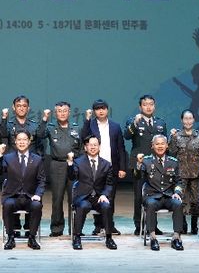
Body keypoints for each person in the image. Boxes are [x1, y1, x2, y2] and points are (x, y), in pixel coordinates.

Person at [80, 99, 126, 235]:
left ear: (107, 110)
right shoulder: (91, 125)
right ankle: (98, 226)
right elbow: (84, 138)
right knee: (96, 196)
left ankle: (109, 225)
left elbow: (121, 148)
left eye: (103, 108)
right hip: (96, 167)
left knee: (110, 197)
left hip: (111, 166)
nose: (101, 111)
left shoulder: (115, 126)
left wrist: (122, 167)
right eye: (98, 109)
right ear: (94, 111)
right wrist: (87, 120)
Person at [36, 101, 82, 237]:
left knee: (74, 198)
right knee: (57, 198)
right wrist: (44, 119)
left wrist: (79, 163)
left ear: (69, 112)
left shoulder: (76, 128)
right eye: (59, 111)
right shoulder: (50, 127)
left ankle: (75, 229)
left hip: (73, 164)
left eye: (65, 111)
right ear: (55, 113)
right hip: (57, 165)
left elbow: (81, 147)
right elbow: (39, 134)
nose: (62, 113)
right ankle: (56, 228)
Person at [124, 94, 167, 234]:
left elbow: (164, 143)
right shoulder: (134, 120)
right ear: (140, 107)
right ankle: (139, 225)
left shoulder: (160, 123)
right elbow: (127, 136)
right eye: (145, 104)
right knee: (139, 196)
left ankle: (153, 225)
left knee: (156, 195)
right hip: (140, 164)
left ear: (154, 106)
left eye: (151, 104)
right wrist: (134, 123)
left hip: (157, 165)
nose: (148, 107)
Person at [0, 95, 42, 235]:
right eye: (18, 106)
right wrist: (4, 118)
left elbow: (40, 142)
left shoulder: (34, 124)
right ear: (13, 108)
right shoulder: (9, 123)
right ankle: (15, 228)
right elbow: (2, 134)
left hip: (31, 164)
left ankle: (30, 229)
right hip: (13, 163)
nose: (21, 108)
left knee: (31, 192)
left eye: (24, 106)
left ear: (28, 108)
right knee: (14, 192)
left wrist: (38, 158)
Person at [133, 135, 185, 251]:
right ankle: (153, 238)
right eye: (157, 144)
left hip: (168, 196)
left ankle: (176, 238)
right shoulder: (146, 161)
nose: (160, 146)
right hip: (152, 196)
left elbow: (179, 181)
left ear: (167, 146)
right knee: (150, 204)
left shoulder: (173, 162)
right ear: (152, 146)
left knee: (178, 204)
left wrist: (177, 192)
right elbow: (137, 177)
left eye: (162, 143)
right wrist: (138, 164)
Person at [0, 131, 45, 250]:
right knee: (7, 205)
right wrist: (0, 155)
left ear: (29, 141)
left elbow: (41, 180)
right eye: (19, 140)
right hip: (13, 196)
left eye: (24, 139)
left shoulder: (37, 159)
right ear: (15, 142)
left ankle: (32, 237)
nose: (21, 142)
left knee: (37, 206)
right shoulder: (8, 158)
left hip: (30, 196)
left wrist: (38, 194)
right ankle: (10, 237)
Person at [68, 135, 117, 250]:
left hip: (99, 197)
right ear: (86, 147)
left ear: (99, 147)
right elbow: (72, 177)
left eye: (95, 145)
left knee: (106, 206)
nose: (93, 147)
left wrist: (104, 194)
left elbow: (109, 184)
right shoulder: (78, 162)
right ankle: (77, 237)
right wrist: (70, 163)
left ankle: (109, 237)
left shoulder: (106, 164)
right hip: (83, 197)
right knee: (83, 206)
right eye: (90, 145)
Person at [168, 109, 199, 235]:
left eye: (190, 118)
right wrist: (172, 137)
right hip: (181, 174)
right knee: (181, 200)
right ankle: (182, 225)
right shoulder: (177, 135)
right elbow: (171, 152)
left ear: (194, 120)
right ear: (182, 120)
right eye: (186, 118)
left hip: (196, 174)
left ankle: (194, 225)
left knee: (196, 200)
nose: (188, 121)